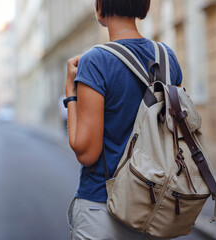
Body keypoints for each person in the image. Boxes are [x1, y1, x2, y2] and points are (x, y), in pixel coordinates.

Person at [64, 0, 182, 239]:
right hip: (156, 208)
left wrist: (70, 94)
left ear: (100, 8)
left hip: (103, 206)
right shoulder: (167, 57)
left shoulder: (96, 61)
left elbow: (86, 152)